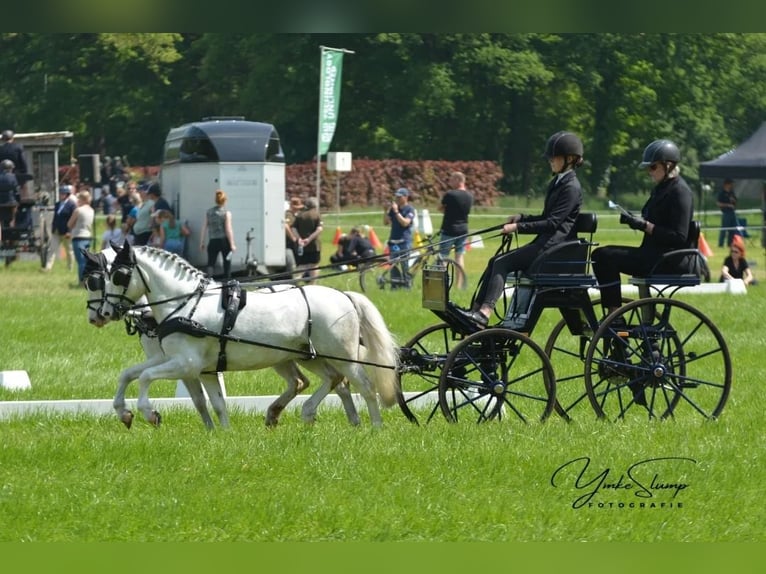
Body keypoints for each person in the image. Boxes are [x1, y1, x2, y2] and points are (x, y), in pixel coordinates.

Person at [456, 131, 585, 328]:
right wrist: (522, 218)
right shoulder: (558, 182)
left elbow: (552, 223)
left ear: (570, 159)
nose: (550, 160)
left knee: (502, 263)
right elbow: (545, 216)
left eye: (554, 157)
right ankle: (475, 310)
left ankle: (485, 312)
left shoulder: (571, 187)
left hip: (553, 249)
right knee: (495, 261)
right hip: (545, 244)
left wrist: (518, 227)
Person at [592, 138, 694, 316]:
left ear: (668, 165)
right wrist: (634, 220)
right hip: (653, 255)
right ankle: (613, 313)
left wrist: (645, 225)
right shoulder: (661, 189)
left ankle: (614, 314)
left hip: (669, 260)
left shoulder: (680, 192)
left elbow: (679, 237)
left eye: (653, 167)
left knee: (604, 256)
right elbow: (652, 219)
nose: (649, 172)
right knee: (602, 255)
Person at [438, 171, 473, 289]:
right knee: (459, 257)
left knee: (443, 257)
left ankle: (441, 285)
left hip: (449, 229)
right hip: (463, 230)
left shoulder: (450, 195)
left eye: (452, 180)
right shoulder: (470, 196)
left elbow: (440, 208)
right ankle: (458, 285)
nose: (450, 182)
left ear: (458, 180)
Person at [383, 187, 417, 288]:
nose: (397, 199)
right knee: (393, 265)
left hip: (404, 241)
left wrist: (397, 212)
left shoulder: (410, 209)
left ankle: (406, 286)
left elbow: (405, 223)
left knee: (405, 265)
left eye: (399, 197)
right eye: (396, 197)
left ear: (406, 197)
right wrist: (385, 211)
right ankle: (395, 286)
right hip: (393, 241)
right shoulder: (393, 209)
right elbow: (386, 222)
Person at [199, 189, 236, 278]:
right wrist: (232, 244)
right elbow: (228, 229)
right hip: (224, 241)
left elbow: (204, 227)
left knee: (211, 263)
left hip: (213, 241)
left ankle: (208, 281)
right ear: (225, 201)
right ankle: (227, 284)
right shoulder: (226, 213)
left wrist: (202, 242)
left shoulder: (209, 212)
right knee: (227, 263)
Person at [42, 184, 77, 272]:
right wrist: (53, 228)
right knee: (51, 249)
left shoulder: (71, 205)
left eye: (63, 193)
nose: (61, 195)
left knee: (69, 251)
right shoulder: (57, 204)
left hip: (66, 232)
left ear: (67, 195)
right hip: (56, 231)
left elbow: (72, 219)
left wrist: (69, 231)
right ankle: (48, 267)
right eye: (61, 193)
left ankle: (70, 268)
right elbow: (55, 217)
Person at [67, 189, 95, 285]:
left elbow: (70, 224)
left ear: (82, 199)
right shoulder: (92, 210)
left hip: (78, 236)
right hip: (87, 236)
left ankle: (82, 281)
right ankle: (87, 279)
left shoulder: (78, 210)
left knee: (81, 261)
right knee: (86, 260)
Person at [293, 196, 323, 282]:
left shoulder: (300, 215)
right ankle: (312, 284)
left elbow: (294, 229)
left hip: (301, 245)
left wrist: (299, 239)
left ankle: (295, 283)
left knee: (301, 265)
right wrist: (309, 239)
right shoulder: (317, 215)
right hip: (314, 245)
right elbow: (319, 229)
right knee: (314, 265)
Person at [716, 178, 739, 248]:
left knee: (732, 229)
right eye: (730, 184)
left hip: (732, 212)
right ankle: (721, 244)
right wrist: (727, 205)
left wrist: (733, 200)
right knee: (724, 229)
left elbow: (736, 201)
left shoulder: (732, 193)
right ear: (726, 184)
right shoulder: (722, 193)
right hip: (726, 213)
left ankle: (730, 243)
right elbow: (718, 203)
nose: (731, 185)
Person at [284, 195, 304, 275]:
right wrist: (292, 237)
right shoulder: (288, 214)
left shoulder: (294, 215)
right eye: (296, 207)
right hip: (288, 241)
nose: (297, 209)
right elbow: (286, 226)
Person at [0, 159, 19, 228]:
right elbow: (16, 189)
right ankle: (13, 221)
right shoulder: (12, 176)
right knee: (16, 206)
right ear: (9, 168)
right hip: (10, 201)